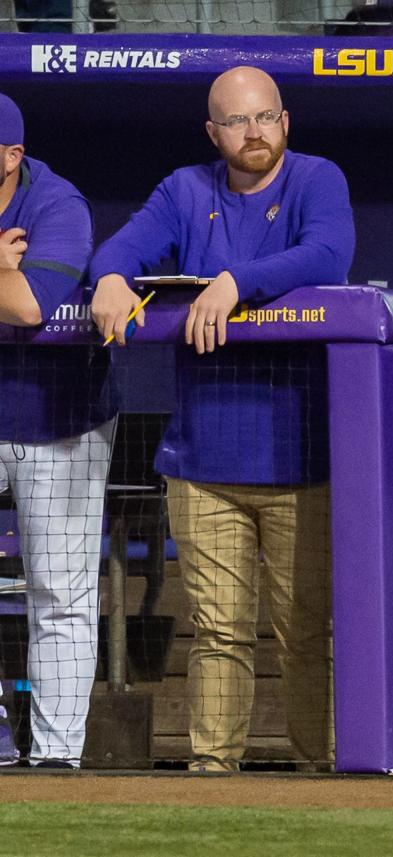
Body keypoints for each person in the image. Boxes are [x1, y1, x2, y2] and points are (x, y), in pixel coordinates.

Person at [89, 66, 354, 772]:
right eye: (237, 122)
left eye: (266, 117)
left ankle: (317, 772)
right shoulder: (186, 190)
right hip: (203, 460)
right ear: (215, 132)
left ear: (285, 121)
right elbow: (120, 248)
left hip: (301, 456)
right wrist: (112, 276)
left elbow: (330, 252)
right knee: (218, 632)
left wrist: (235, 282)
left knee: (303, 631)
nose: (255, 132)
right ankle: (213, 777)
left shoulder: (316, 179)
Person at [0, 92, 116, 767]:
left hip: (59, 417)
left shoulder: (57, 204)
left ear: (13, 157)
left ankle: (55, 758)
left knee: (60, 590)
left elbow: (28, 304)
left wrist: (10, 277)